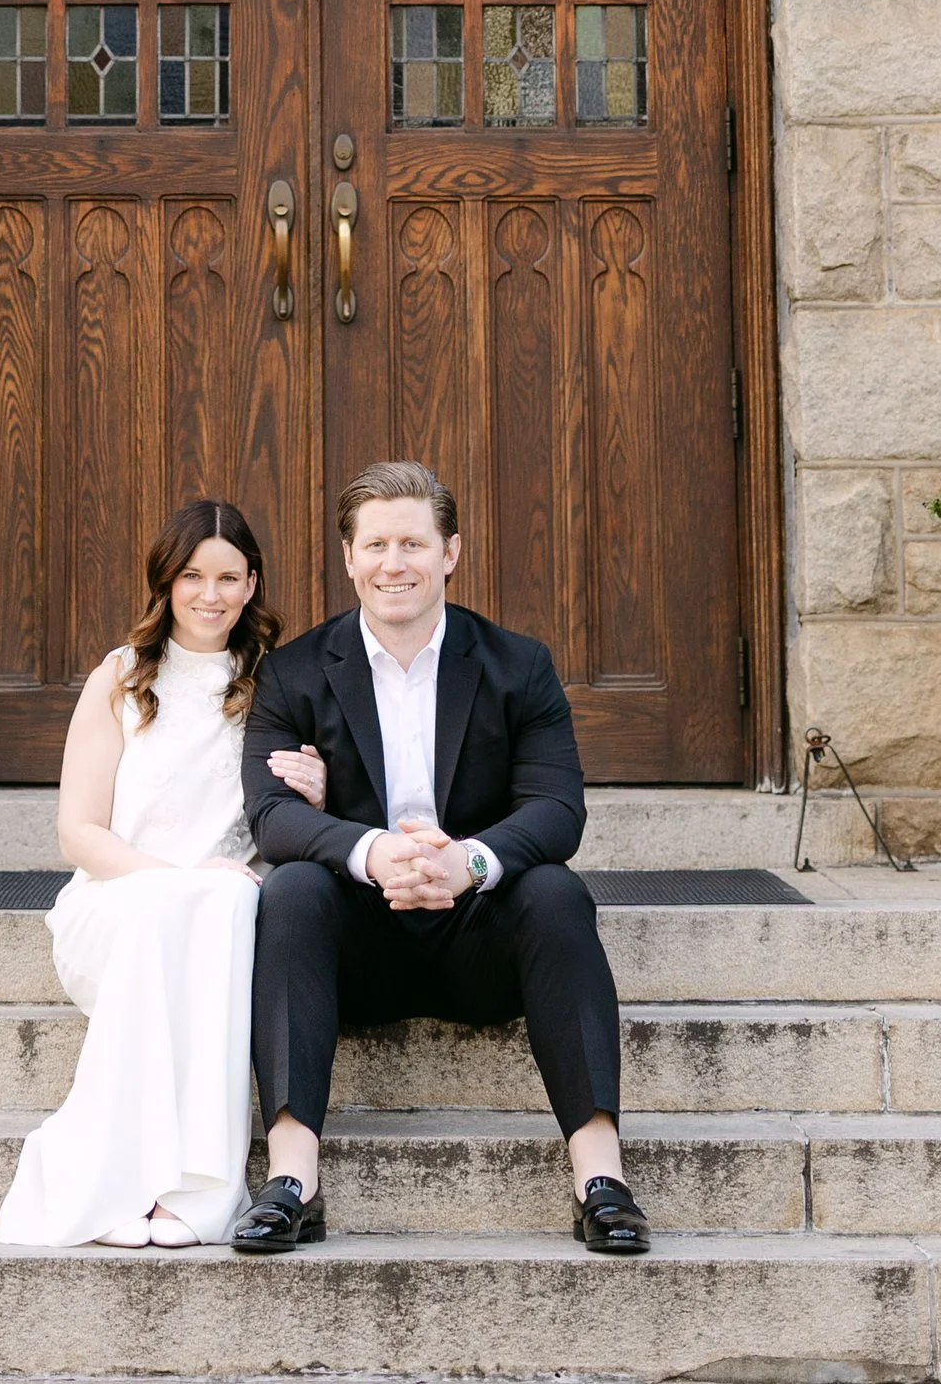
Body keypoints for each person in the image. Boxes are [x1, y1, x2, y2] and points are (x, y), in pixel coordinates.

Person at [235, 458, 650, 1259]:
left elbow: (558, 810)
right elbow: (270, 815)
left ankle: (602, 1179)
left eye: (415, 544)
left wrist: (471, 862)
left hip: (480, 938)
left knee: (559, 893)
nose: (396, 564)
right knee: (288, 893)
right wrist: (373, 850)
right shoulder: (291, 673)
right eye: (378, 545)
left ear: (450, 553)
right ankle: (293, 1181)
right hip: (359, 942)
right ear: (349, 558)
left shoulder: (517, 664)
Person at [0, 498, 277, 1249]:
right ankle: (109, 1183)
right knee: (181, 907)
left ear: (252, 584)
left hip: (215, 917)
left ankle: (202, 1193)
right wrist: (168, 884)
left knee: (221, 902)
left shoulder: (275, 686)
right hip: (117, 904)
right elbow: (79, 833)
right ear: (166, 581)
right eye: (192, 575)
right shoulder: (120, 678)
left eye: (228, 577)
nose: (209, 595)